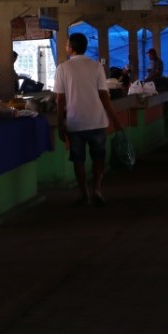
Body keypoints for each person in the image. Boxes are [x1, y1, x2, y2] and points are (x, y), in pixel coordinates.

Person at [54, 32, 123, 207]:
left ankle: (85, 194)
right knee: (99, 157)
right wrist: (114, 119)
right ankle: (97, 189)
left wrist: (60, 124)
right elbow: (104, 96)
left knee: (78, 160)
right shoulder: (96, 66)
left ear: (71, 48)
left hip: (75, 122)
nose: (65, 47)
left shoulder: (63, 68)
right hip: (97, 121)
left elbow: (60, 100)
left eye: (66, 44)